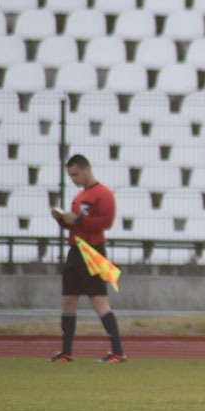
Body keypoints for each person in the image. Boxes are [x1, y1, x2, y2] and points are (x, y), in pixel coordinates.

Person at [49, 154, 125, 363]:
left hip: (92, 252)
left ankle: (118, 351)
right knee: (68, 300)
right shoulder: (79, 195)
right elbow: (77, 225)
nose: (73, 179)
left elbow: (105, 222)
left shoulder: (103, 194)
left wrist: (78, 220)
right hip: (75, 250)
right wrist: (62, 221)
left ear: (86, 170)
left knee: (99, 300)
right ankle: (66, 351)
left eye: (75, 174)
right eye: (70, 176)